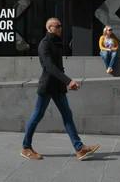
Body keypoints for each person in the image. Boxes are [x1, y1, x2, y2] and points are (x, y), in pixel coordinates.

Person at [21, 18, 100, 161]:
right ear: (49, 28)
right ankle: (26, 147)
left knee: (67, 115)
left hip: (57, 87)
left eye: (61, 26)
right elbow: (51, 68)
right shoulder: (44, 45)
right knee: (37, 116)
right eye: (57, 26)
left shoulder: (56, 43)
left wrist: (64, 84)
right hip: (47, 86)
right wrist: (68, 81)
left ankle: (80, 149)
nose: (60, 28)